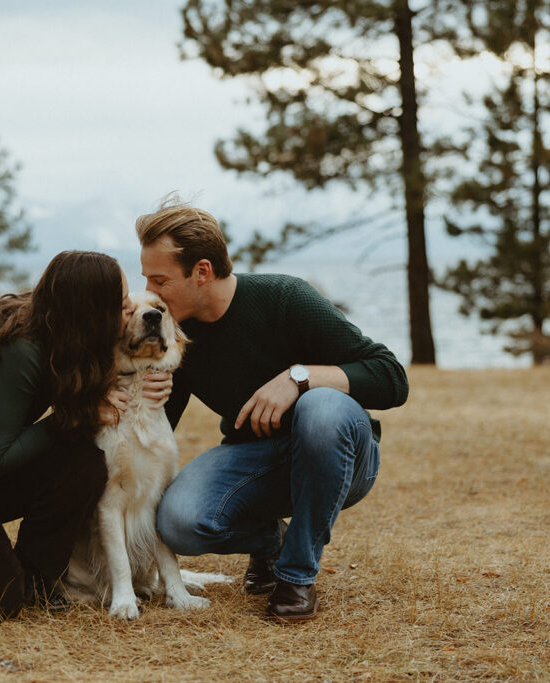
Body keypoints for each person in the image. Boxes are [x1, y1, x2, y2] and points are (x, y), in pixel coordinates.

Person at [137, 200, 409, 622]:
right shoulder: (175, 333)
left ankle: (296, 575)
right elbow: (158, 428)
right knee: (179, 522)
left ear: (202, 272)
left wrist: (298, 378)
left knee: (319, 407)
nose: (152, 295)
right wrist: (136, 391)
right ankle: (270, 542)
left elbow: (392, 377)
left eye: (160, 280)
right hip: (259, 462)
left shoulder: (285, 297)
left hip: (341, 454)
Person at [0, 250, 168, 623]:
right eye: (122, 308)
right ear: (91, 312)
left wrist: (157, 379)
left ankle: (38, 578)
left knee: (86, 464)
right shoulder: (19, 347)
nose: (129, 315)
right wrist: (78, 414)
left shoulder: (69, 332)